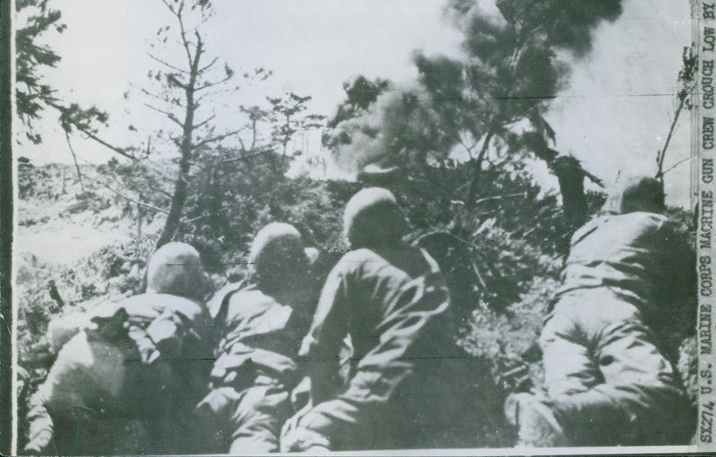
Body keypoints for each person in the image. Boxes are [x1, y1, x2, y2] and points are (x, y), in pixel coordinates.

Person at [281, 187, 495, 452]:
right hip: (443, 398)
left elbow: (320, 344)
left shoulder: (354, 262)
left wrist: (317, 406)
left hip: (389, 388)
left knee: (301, 433)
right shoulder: (425, 260)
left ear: (355, 229)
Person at [506, 175, 696, 447]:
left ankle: (541, 412)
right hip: (610, 308)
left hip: (560, 319)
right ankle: (554, 413)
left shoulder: (583, 233)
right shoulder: (654, 224)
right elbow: (686, 274)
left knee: (576, 417)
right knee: (659, 396)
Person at [24, 242, 214, 455]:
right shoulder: (197, 311)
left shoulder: (134, 301)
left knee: (42, 400)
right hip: (135, 365)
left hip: (77, 355)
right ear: (195, 278)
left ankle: (41, 436)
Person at [196, 222, 317, 454]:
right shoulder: (308, 300)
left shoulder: (229, 296)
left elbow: (206, 344)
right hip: (264, 395)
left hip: (219, 389)